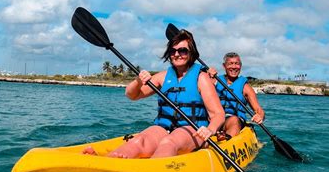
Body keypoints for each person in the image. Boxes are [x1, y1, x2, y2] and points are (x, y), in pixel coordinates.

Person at [82, 30, 225, 158]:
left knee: (169, 142)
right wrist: (138, 81)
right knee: (139, 141)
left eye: (182, 50)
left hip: (193, 130)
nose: (177, 54)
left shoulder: (201, 78)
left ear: (191, 53)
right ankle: (109, 161)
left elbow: (218, 114)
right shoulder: (163, 76)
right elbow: (132, 95)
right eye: (173, 51)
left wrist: (210, 130)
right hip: (164, 128)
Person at [207, 52, 265, 139]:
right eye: (230, 64)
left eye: (237, 64)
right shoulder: (214, 80)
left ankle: (227, 139)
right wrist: (206, 75)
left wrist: (259, 116)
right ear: (224, 66)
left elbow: (258, 109)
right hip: (214, 119)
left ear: (240, 66)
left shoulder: (245, 87)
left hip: (234, 121)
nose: (234, 67)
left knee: (234, 120)